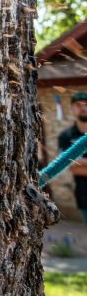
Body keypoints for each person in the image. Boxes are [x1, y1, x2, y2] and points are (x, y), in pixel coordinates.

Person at [58, 91, 87, 224]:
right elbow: (70, 166)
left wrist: (80, 163)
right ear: (72, 108)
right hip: (84, 196)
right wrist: (74, 164)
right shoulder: (66, 136)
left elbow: (76, 165)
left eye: (86, 104)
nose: (83, 108)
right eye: (78, 105)